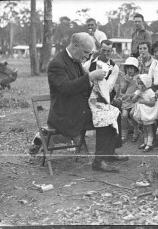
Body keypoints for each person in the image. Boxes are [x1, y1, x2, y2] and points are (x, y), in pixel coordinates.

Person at [47, 32, 125, 173]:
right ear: (75, 46)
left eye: (89, 53)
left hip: (78, 108)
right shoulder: (56, 64)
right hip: (65, 114)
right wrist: (90, 76)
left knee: (113, 110)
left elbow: (83, 86)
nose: (87, 57)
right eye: (85, 52)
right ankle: (99, 162)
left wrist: (97, 86)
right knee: (106, 117)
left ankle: (109, 152)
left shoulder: (75, 61)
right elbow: (66, 88)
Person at [83, 39, 123, 148]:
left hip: (105, 96)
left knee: (116, 107)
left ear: (112, 52)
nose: (105, 54)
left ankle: (113, 148)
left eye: (108, 51)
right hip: (89, 95)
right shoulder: (89, 63)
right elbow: (82, 78)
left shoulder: (114, 68)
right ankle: (103, 149)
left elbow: (109, 87)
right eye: (103, 50)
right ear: (100, 49)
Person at [132, 74, 158, 152]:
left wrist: (143, 101)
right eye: (138, 84)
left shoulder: (150, 92)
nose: (139, 86)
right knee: (144, 129)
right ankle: (145, 142)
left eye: (141, 84)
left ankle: (149, 144)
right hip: (143, 113)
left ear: (146, 83)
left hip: (149, 113)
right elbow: (133, 100)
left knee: (149, 129)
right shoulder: (140, 91)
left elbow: (152, 103)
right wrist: (138, 95)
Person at [120, 57, 141, 143]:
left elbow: (140, 89)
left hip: (135, 100)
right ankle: (124, 132)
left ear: (135, 69)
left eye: (131, 68)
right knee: (124, 115)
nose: (129, 70)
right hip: (126, 100)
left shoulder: (138, 78)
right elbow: (123, 91)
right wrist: (127, 82)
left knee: (132, 114)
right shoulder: (125, 78)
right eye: (128, 68)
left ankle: (136, 130)